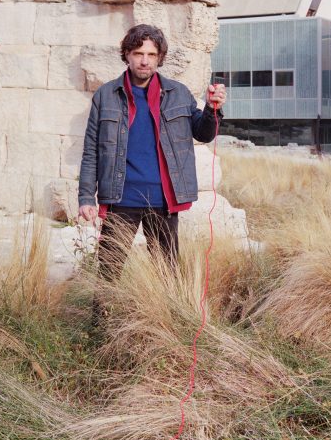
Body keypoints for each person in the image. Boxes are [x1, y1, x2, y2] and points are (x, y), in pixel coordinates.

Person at [78, 24, 227, 283]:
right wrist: (86, 197)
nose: (144, 61)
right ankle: (101, 322)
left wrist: (212, 110)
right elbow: (91, 149)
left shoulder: (178, 93)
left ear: (160, 58)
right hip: (120, 198)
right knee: (108, 273)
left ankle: (164, 322)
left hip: (164, 200)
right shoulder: (106, 95)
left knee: (167, 272)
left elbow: (203, 134)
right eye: (138, 53)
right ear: (127, 54)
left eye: (151, 55)